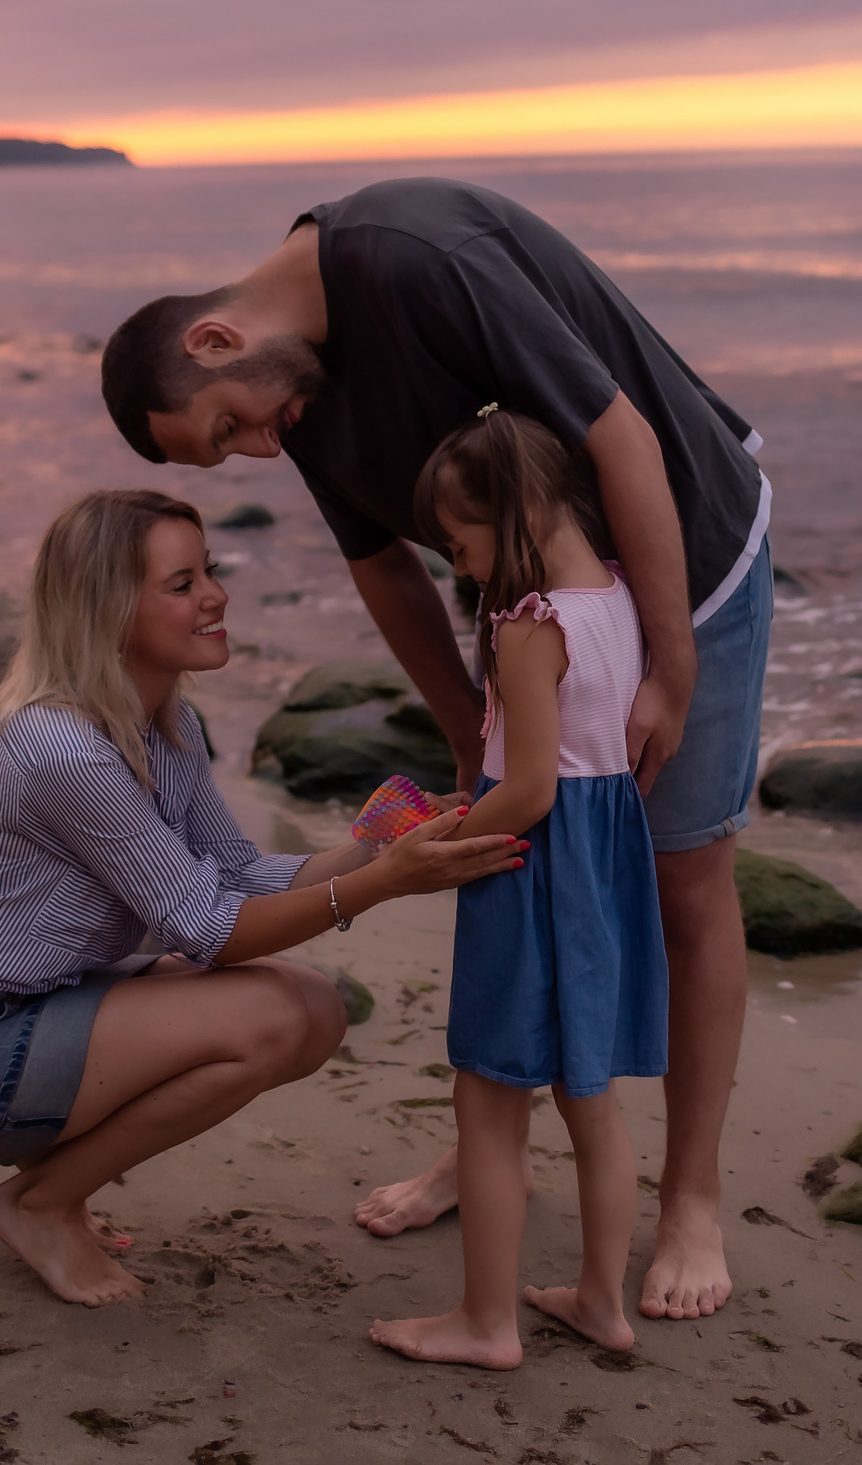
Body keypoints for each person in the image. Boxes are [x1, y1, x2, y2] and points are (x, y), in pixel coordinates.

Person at [100, 178, 773, 1321]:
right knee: (509, 859)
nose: (261, 449)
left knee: (681, 878)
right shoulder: (296, 393)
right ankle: (489, 1146)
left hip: (679, 564)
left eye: (231, 426)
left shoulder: (418, 254)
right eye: (230, 451)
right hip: (528, 611)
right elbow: (382, 563)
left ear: (217, 339)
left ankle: (691, 1200)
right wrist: (471, 732)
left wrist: (668, 665)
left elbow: (625, 437)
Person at [0, 489, 522, 1309]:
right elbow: (211, 930)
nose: (214, 594)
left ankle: (49, 1187)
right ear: (106, 609)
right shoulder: (61, 747)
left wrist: (380, 845)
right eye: (181, 583)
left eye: (208, 569)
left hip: (37, 1003)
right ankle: (40, 1204)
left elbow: (237, 873)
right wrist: (382, 883)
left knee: (315, 1008)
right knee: (275, 1015)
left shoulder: (165, 720)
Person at [369, 407, 668, 1369]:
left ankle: (486, 1323)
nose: (459, 569)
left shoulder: (527, 626)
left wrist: (433, 839)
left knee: (490, 1104)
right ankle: (601, 1302)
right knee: (594, 1101)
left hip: (532, 863)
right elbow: (569, 756)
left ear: (514, 512)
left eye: (459, 545)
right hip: (605, 856)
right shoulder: (616, 597)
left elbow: (532, 788)